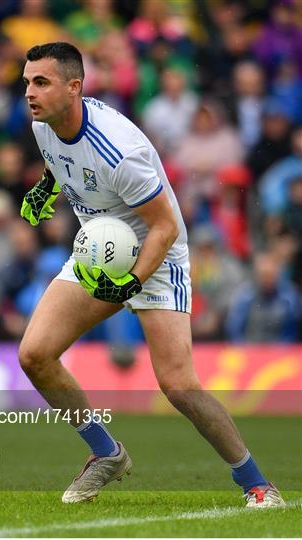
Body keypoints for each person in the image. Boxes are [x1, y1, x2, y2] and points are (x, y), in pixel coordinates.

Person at [18, 42, 285, 508]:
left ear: (74, 87)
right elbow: (60, 160)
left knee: (178, 384)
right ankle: (107, 454)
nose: (29, 92)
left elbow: (164, 226)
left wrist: (133, 282)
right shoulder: (44, 124)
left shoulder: (120, 150)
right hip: (100, 250)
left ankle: (258, 484)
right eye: (27, 82)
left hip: (156, 257)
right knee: (34, 354)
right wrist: (45, 188)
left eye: (40, 82)